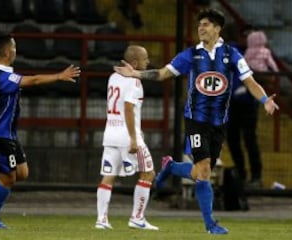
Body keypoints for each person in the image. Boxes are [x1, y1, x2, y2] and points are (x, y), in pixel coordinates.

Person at [114, 8, 279, 234]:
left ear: (218, 29)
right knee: (203, 171)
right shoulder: (191, 55)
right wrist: (137, 74)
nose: (202, 27)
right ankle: (210, 224)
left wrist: (264, 100)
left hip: (219, 123)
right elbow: (163, 73)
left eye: (207, 24)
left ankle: (171, 167)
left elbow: (249, 81)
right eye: (200, 24)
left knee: (201, 172)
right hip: (196, 121)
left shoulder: (232, 55)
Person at [0, 33, 80, 228]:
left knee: (22, 172)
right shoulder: (4, 76)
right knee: (8, 178)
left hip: (6, 133)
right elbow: (34, 80)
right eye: (14, 46)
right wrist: (59, 76)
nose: (15, 50)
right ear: (6, 51)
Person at [95, 45, 158, 230]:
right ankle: (137, 218)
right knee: (148, 173)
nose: (148, 62)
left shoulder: (113, 77)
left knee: (108, 175)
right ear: (136, 63)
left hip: (110, 134)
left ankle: (101, 220)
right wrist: (133, 138)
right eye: (145, 59)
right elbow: (128, 108)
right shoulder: (135, 82)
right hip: (127, 137)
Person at [227, 30, 279, 189]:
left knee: (250, 139)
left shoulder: (260, 53)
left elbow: (271, 77)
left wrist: (252, 72)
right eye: (243, 36)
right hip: (231, 103)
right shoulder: (231, 50)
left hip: (250, 103)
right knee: (232, 139)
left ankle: (256, 177)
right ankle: (241, 175)